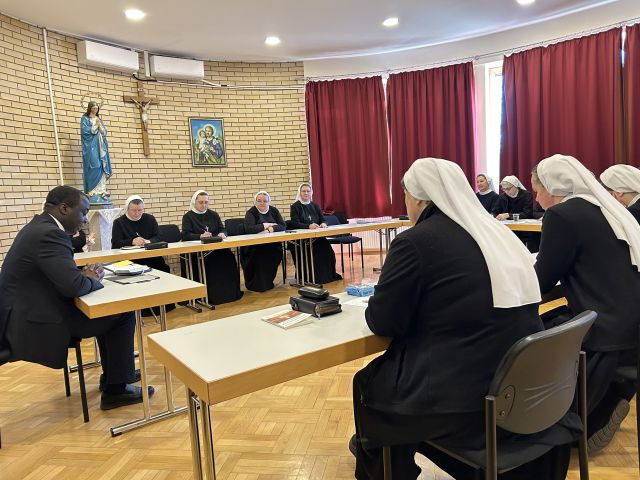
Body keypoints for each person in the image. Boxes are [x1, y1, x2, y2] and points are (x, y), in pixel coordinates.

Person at [352, 158, 579, 480]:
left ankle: (387, 464)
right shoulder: (499, 233)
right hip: (523, 388)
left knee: (368, 384)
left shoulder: (415, 241)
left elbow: (384, 321)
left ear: (418, 198)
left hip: (464, 398)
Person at [0, 186, 152, 410]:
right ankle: (116, 389)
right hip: (36, 321)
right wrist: (92, 278)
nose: (84, 220)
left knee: (107, 313)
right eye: (83, 212)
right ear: (64, 208)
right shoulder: (50, 234)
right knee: (120, 313)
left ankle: (115, 375)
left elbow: (57, 275)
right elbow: (73, 286)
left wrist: (82, 275)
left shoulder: (40, 227)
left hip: (30, 310)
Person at [532, 154, 640, 453]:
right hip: (629, 322)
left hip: (603, 327)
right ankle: (605, 409)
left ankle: (548, 421)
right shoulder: (606, 208)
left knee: (532, 333)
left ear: (552, 187)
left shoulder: (562, 215)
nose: (536, 198)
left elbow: (543, 279)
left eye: (537, 190)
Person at [112, 195, 176, 315]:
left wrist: (149, 241)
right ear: (127, 209)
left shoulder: (149, 219)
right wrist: (132, 241)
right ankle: (141, 310)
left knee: (162, 268)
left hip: (151, 257)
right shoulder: (119, 222)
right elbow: (115, 244)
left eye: (140, 210)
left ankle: (163, 306)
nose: (137, 214)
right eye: (133, 210)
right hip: (131, 261)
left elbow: (159, 236)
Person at [181, 190, 243, 304]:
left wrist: (223, 233)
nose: (204, 205)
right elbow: (185, 235)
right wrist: (200, 236)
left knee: (228, 257)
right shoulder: (188, 217)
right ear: (194, 202)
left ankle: (229, 294)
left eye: (206, 202)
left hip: (216, 249)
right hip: (199, 252)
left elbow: (222, 229)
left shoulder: (213, 214)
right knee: (211, 263)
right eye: (201, 202)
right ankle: (210, 296)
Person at [288, 183, 342, 284]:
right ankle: (313, 278)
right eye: (303, 191)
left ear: (311, 193)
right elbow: (294, 223)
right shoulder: (295, 206)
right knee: (315, 254)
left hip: (317, 237)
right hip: (303, 240)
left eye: (308, 191)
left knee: (328, 251)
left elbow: (322, 219)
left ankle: (327, 276)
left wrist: (324, 223)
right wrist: (308, 226)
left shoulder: (315, 205)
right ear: (300, 193)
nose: (306, 193)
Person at [241, 191, 286, 292]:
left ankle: (268, 282)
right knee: (260, 254)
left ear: (269, 202)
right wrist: (266, 225)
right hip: (254, 245)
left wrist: (270, 229)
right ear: (255, 202)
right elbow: (249, 229)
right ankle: (256, 284)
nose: (262, 203)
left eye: (265, 201)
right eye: (259, 201)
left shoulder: (274, 211)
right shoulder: (251, 212)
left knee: (274, 253)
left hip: (272, 244)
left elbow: (283, 226)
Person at [80, 101, 112, 204]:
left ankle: (101, 190)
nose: (95, 110)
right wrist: (94, 127)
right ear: (90, 108)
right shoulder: (85, 119)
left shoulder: (98, 119)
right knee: (94, 165)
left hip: (100, 146)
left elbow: (104, 132)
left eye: (96, 108)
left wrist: (100, 126)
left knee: (101, 166)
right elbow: (84, 132)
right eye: (93, 108)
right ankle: (92, 191)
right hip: (91, 146)